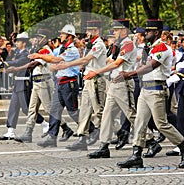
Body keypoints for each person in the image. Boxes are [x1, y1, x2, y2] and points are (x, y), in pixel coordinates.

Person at [116, 19, 184, 169]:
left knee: (161, 124)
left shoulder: (162, 48)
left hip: (156, 90)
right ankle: (136, 155)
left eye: (149, 31)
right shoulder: (150, 48)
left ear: (157, 33)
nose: (146, 33)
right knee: (140, 122)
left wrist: (129, 73)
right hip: (145, 89)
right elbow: (142, 64)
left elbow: (150, 67)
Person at [84, 19, 137, 158]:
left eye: (116, 30)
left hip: (123, 83)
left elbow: (117, 63)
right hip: (114, 83)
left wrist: (96, 72)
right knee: (107, 114)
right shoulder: (118, 45)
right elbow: (111, 61)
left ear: (124, 31)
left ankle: (149, 140)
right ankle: (104, 146)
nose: (113, 32)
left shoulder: (128, 44)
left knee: (131, 114)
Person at [55, 20, 107, 150]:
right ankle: (82, 139)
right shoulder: (90, 45)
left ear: (97, 31)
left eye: (90, 31)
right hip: (88, 80)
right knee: (84, 111)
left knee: (99, 111)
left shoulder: (99, 44)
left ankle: (110, 135)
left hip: (96, 80)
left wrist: (67, 64)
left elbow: (85, 60)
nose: (87, 33)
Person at [30, 24, 80, 147]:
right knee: (54, 111)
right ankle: (52, 137)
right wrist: (47, 58)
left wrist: (40, 56)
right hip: (60, 83)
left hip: (69, 83)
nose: (60, 35)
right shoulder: (61, 48)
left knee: (73, 112)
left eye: (63, 34)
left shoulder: (72, 50)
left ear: (69, 36)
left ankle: (91, 129)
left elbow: (55, 60)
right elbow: (52, 59)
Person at [12, 29, 54, 143]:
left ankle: (64, 127)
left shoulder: (45, 50)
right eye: (36, 37)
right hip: (36, 81)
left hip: (43, 81)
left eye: (39, 38)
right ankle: (28, 133)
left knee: (48, 108)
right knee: (32, 109)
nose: (36, 40)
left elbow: (34, 64)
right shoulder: (37, 50)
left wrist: (17, 68)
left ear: (44, 39)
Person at [0, 32, 33, 140]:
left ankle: (46, 125)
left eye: (18, 41)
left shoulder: (26, 53)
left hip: (24, 82)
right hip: (18, 82)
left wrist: (7, 64)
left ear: (23, 43)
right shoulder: (18, 52)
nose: (16, 43)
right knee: (13, 107)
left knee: (26, 108)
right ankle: (10, 130)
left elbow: (19, 62)